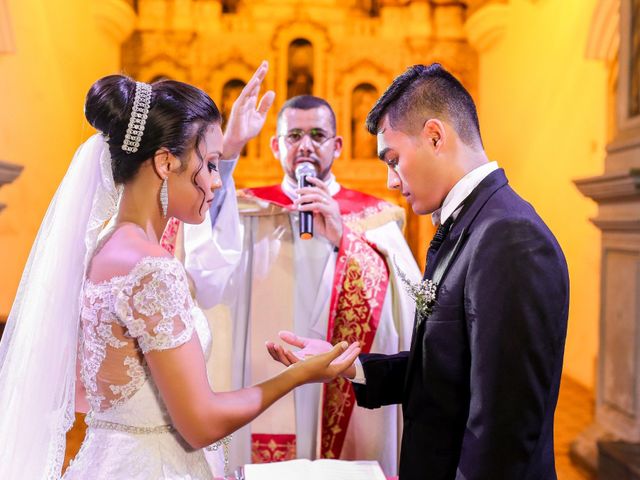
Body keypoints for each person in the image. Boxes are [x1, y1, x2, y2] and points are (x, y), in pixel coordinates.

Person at [0, 62, 361, 480]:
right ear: (165, 163)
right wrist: (298, 376)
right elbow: (201, 422)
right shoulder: (152, 269)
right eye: (209, 164)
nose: (217, 181)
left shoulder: (101, 247)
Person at [267, 63, 570, 480]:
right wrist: (345, 364)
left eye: (394, 159)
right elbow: (449, 367)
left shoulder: (510, 237)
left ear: (434, 136)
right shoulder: (472, 223)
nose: (391, 181)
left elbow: (503, 429)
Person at [184, 95, 420, 475]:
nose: (305, 145)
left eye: (317, 135)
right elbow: (205, 265)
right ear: (276, 145)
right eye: (293, 136)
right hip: (263, 374)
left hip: (342, 384)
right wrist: (228, 148)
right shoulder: (245, 212)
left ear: (337, 145)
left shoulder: (374, 218)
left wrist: (346, 240)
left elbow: (404, 308)